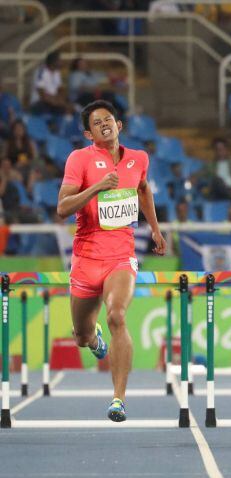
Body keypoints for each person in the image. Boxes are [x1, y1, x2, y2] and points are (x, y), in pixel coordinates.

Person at [56, 100, 166, 422]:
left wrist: (156, 230)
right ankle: (94, 338)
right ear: (89, 133)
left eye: (109, 119)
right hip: (86, 256)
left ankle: (118, 399)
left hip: (121, 255)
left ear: (119, 126)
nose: (105, 124)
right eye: (97, 122)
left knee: (117, 315)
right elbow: (62, 208)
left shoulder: (138, 159)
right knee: (81, 336)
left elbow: (144, 190)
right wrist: (96, 188)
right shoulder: (79, 160)